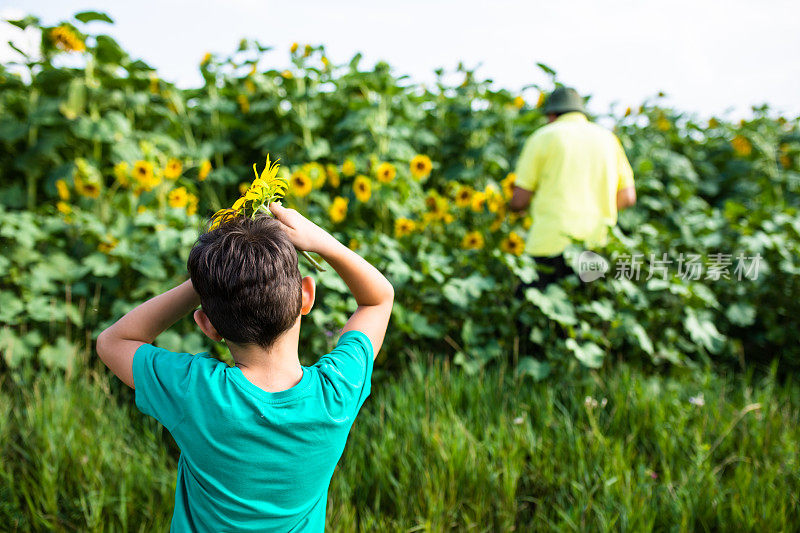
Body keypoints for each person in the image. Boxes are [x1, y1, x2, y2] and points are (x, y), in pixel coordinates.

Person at [96, 203, 394, 532]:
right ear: (306, 295)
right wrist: (320, 240)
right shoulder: (337, 392)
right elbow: (378, 299)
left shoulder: (195, 391)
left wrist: (206, 283)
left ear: (207, 325)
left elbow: (113, 342)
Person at [509, 87, 636, 289]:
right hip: (595, 244)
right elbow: (628, 197)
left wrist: (512, 208)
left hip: (548, 243)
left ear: (552, 115)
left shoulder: (543, 137)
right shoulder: (608, 140)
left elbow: (519, 200)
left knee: (537, 312)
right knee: (585, 311)